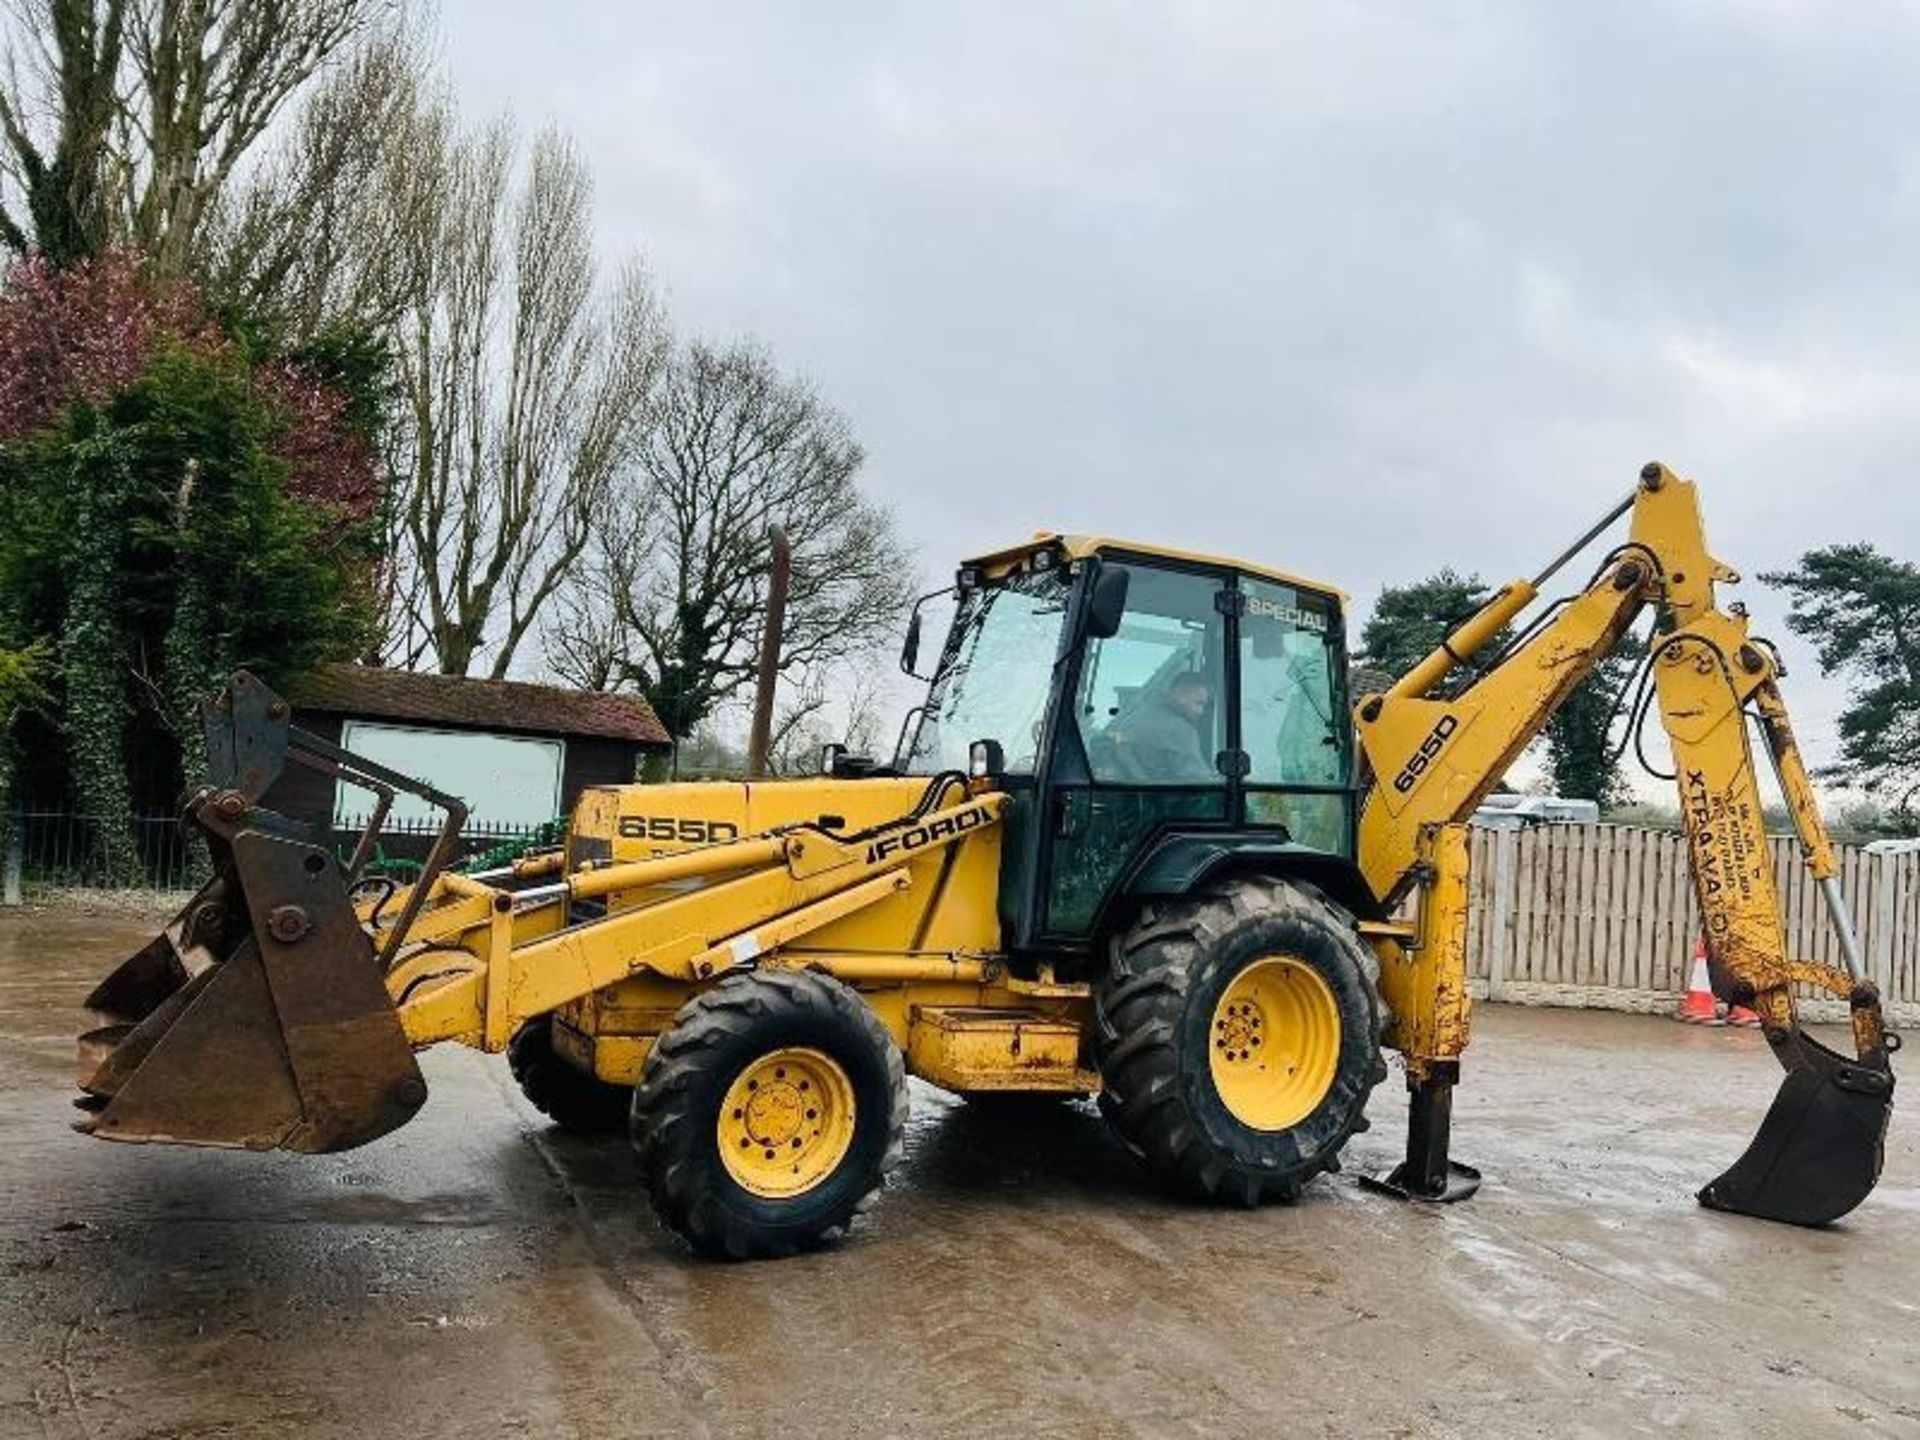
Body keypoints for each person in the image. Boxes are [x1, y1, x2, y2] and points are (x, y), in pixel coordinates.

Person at [1116, 671, 1215, 782]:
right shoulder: (1180, 731)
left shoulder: (1131, 718)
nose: (1201, 711)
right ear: (1182, 696)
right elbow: (1199, 782)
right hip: (1162, 796)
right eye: (1199, 703)